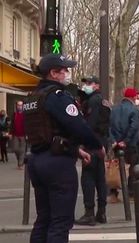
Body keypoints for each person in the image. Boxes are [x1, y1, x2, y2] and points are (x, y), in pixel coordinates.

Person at [23, 53, 105, 243]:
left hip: (37, 159)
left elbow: (47, 132)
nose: (67, 73)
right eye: (64, 70)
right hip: (57, 164)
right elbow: (78, 125)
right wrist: (97, 145)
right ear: (53, 73)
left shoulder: (33, 97)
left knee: (43, 219)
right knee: (60, 222)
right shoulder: (57, 96)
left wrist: (76, 150)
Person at [75, 76, 110, 226]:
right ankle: (101, 212)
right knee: (100, 179)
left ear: (96, 85)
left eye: (89, 83)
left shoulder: (93, 101)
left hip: (93, 144)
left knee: (88, 178)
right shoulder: (104, 101)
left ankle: (89, 213)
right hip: (101, 142)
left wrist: (84, 143)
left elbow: (89, 124)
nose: (85, 86)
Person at [109, 87, 139, 201]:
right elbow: (134, 127)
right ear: (133, 97)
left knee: (115, 168)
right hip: (131, 144)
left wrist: (114, 141)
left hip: (116, 144)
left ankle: (113, 194)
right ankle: (130, 194)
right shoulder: (134, 110)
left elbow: (110, 126)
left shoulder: (114, 109)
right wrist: (125, 141)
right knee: (132, 169)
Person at [10, 101, 26, 169]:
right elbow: (12, 125)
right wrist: (10, 133)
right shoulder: (14, 114)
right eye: (18, 105)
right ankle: (20, 160)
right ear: (16, 106)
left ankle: (20, 164)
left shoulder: (25, 114)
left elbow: (28, 124)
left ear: (23, 106)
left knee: (22, 150)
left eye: (21, 105)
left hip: (23, 135)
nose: (19, 106)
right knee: (15, 149)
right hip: (15, 134)